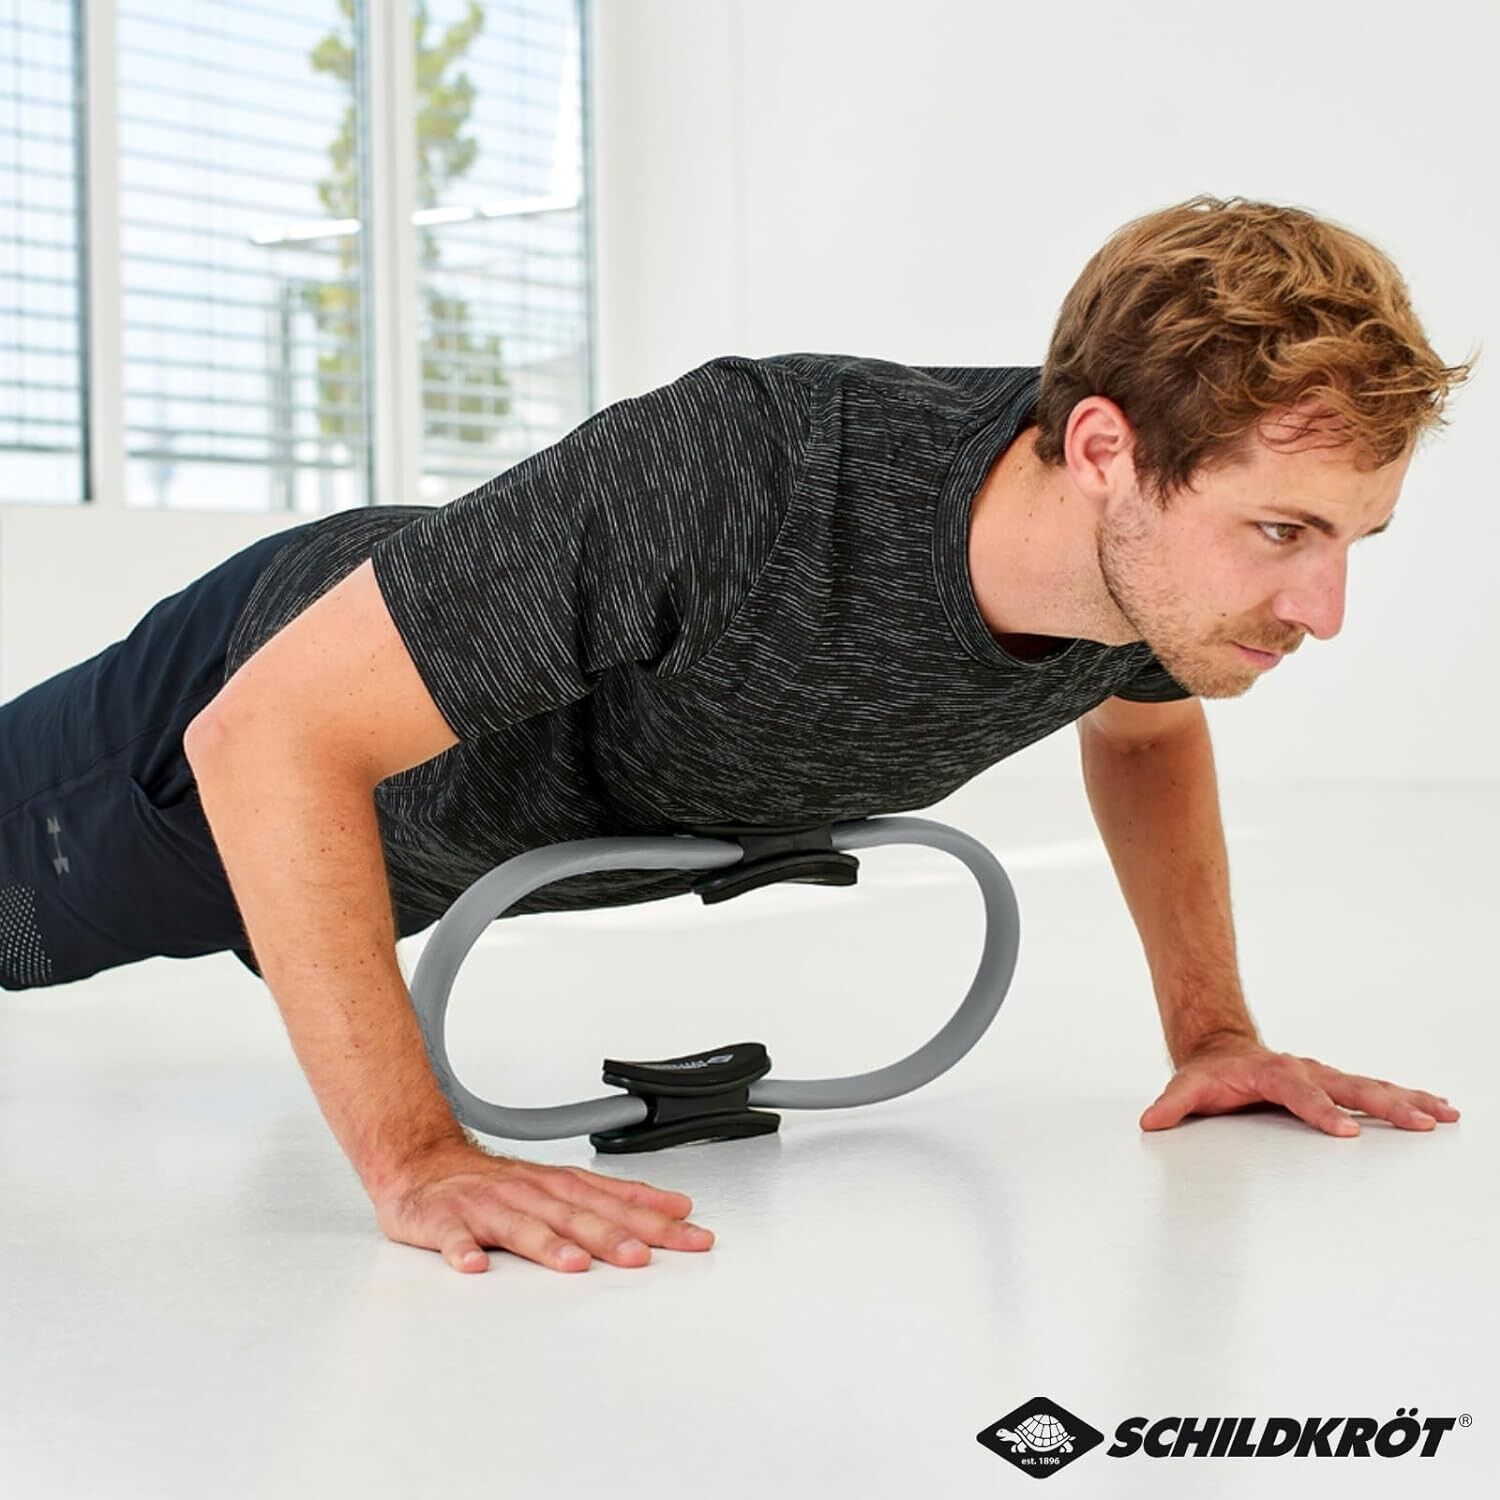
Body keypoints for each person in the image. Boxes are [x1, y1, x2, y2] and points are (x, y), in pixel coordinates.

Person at [0, 194, 1474, 1277]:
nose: (1325, 609)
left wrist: (1215, 1037)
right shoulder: (756, 470)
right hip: (234, 734)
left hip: (407, 841)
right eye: (1282, 531)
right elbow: (268, 740)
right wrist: (419, 1160)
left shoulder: (1150, 579)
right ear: (1104, 449)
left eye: (1354, 539)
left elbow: (1144, 738)